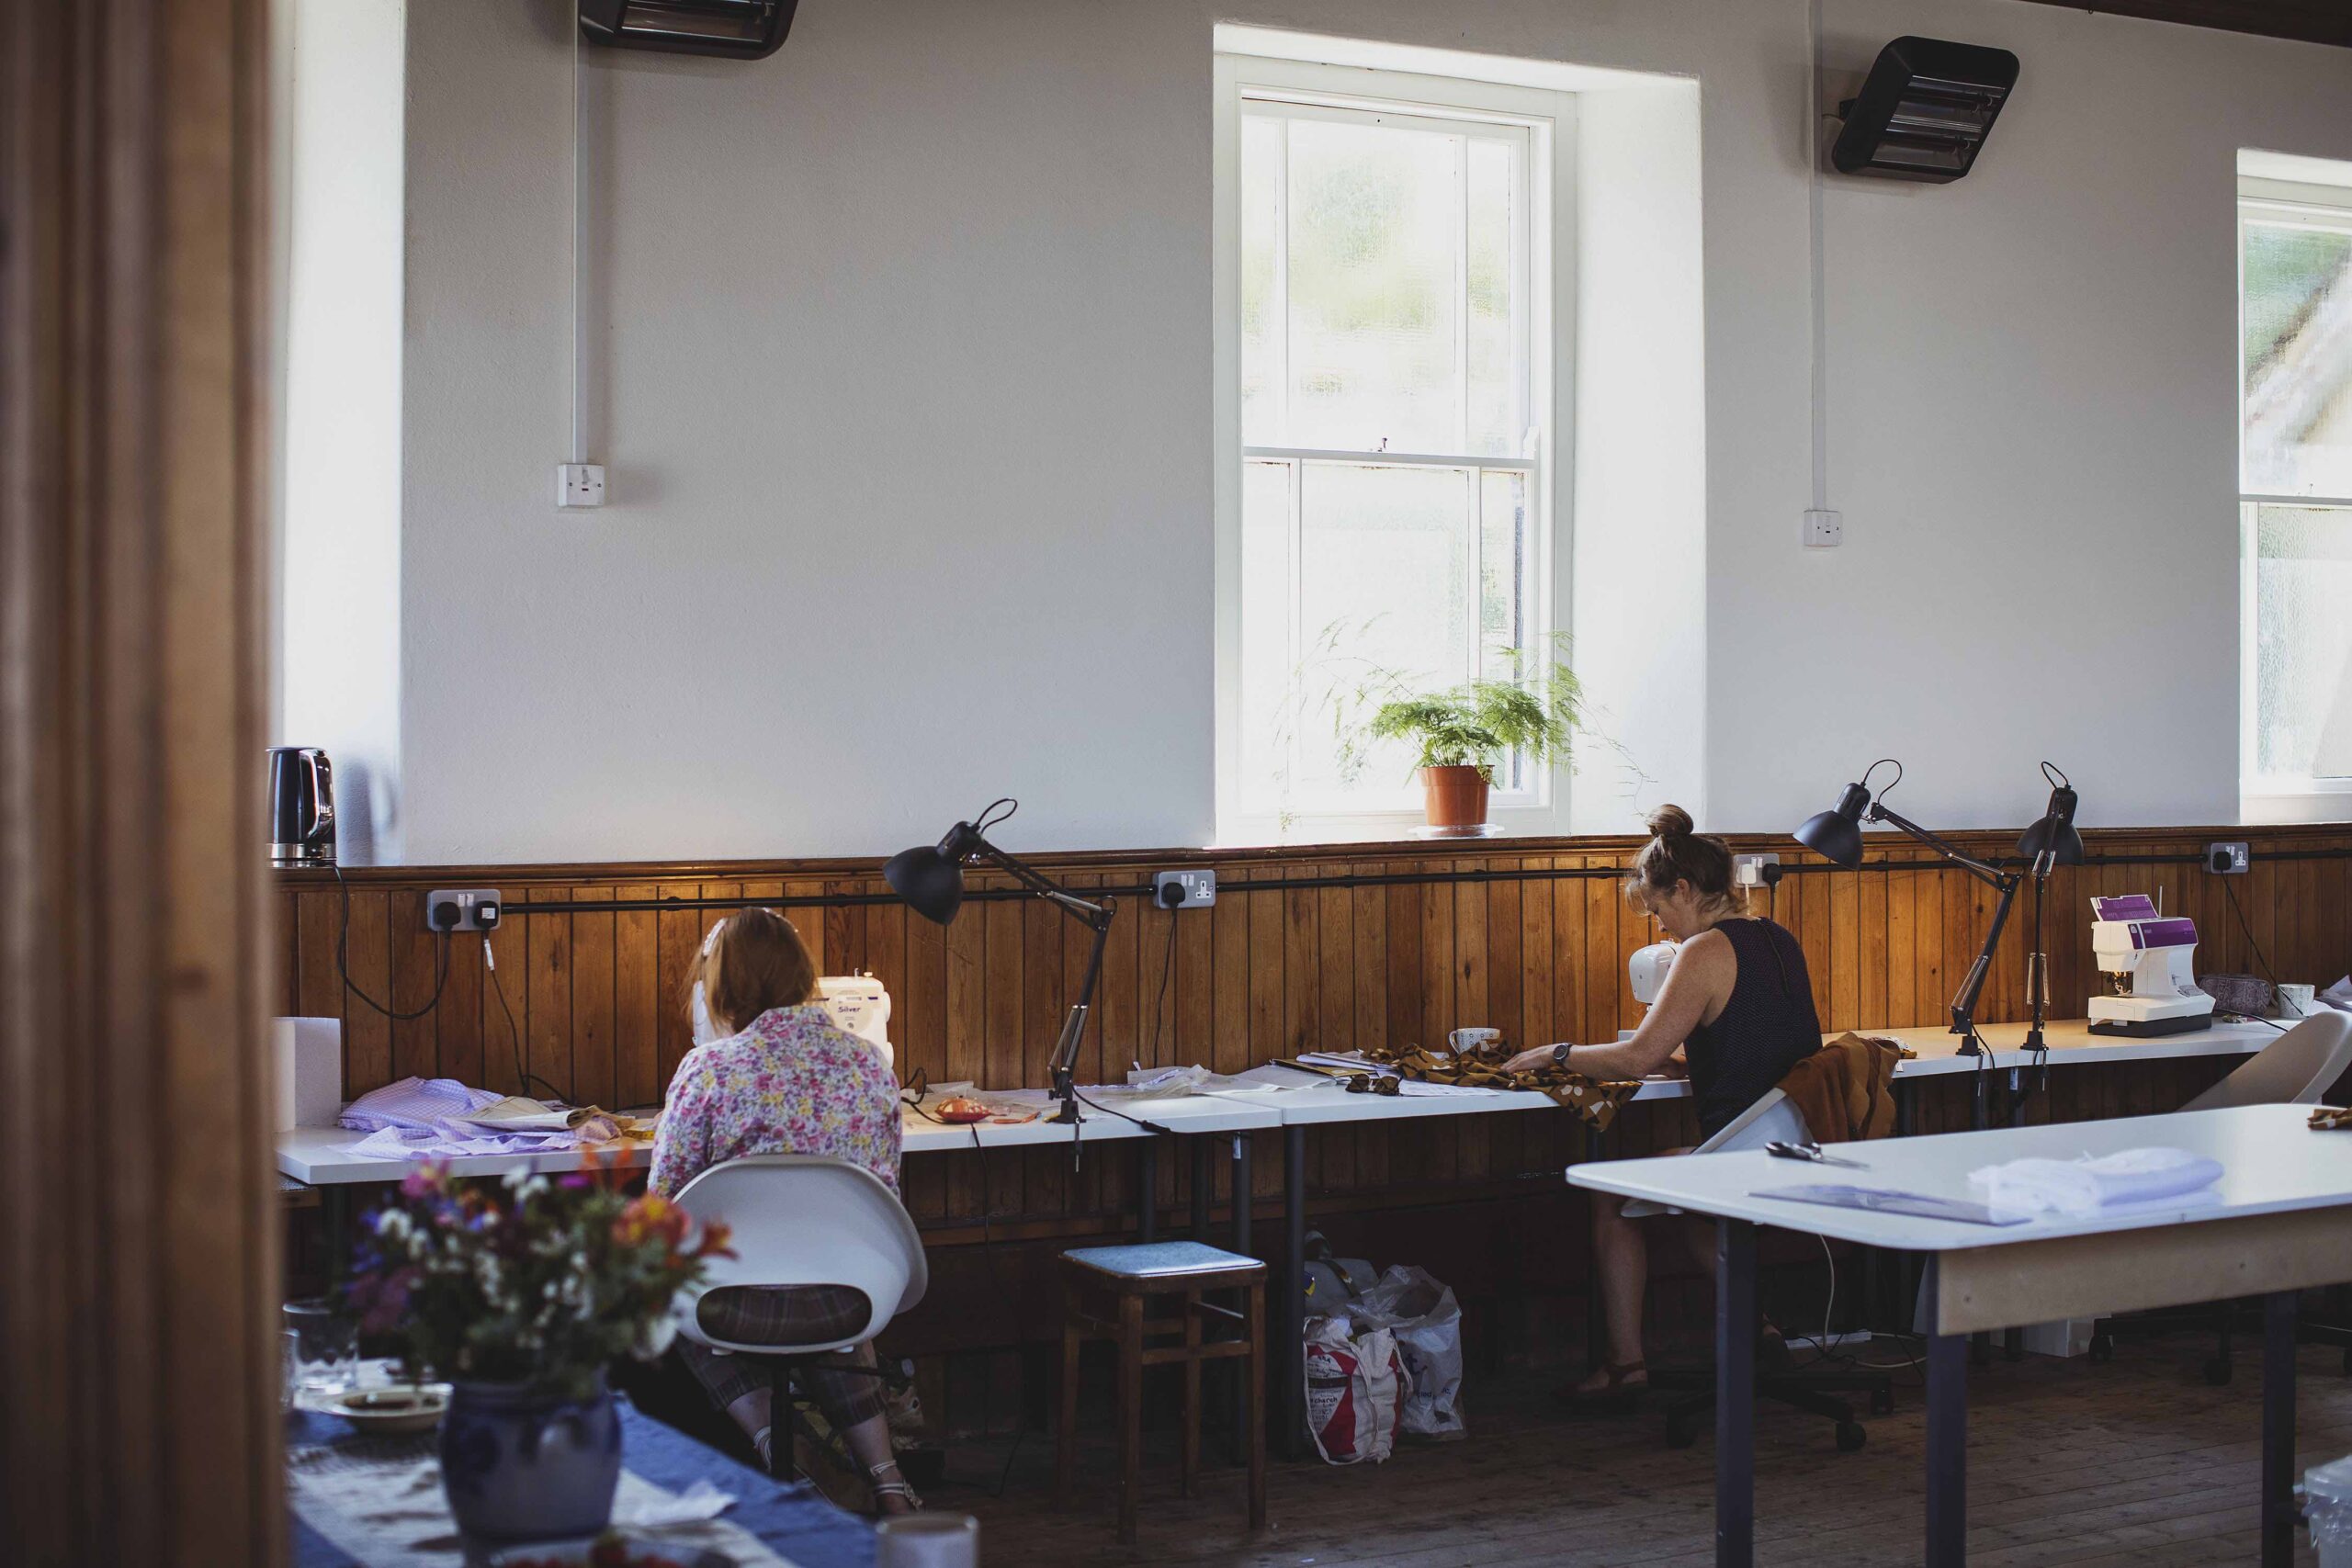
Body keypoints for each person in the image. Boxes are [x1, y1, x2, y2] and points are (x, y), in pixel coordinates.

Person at [1502, 805, 1822, 1404]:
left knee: (1614, 1194)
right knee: (1686, 1205)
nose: (1658, 927)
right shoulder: (1779, 938)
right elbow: (1757, 1039)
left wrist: (1557, 1051)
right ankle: (1760, 1329)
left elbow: (1634, 1059)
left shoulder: (1703, 950)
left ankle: (1626, 1364)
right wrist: (1689, 1058)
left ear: (1683, 888)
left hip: (1746, 1161)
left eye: (1659, 909)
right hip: (1797, 1145)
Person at [648, 907, 922, 1514]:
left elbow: (662, 1211)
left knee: (664, 1288)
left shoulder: (710, 1071)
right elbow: (883, 1192)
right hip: (847, 1293)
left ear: (720, 985)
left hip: (734, 1302)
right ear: (802, 975)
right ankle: (889, 1482)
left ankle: (786, 1456)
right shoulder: (870, 1066)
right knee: (823, 1303)